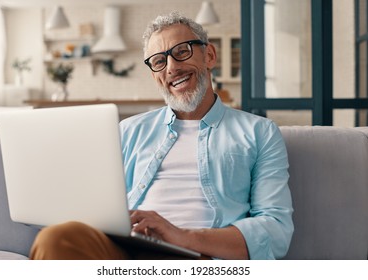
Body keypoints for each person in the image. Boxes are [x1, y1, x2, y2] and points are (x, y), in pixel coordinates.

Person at [30, 11, 293, 260]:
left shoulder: (259, 132)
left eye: (182, 52)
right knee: (56, 238)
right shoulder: (129, 130)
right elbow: (98, 207)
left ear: (210, 55)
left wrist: (180, 235)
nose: (172, 68)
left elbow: (276, 230)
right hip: (128, 250)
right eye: (159, 61)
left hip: (199, 257)